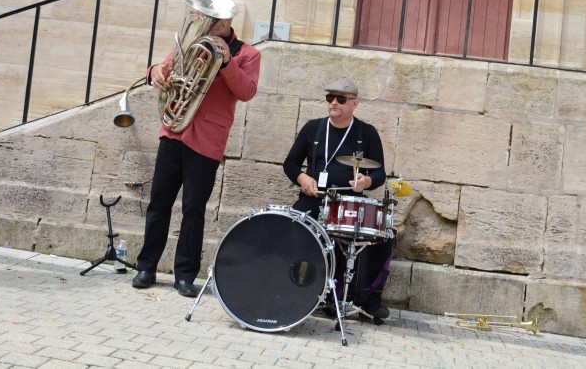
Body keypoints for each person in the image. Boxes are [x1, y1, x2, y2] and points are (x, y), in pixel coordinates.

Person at [132, 17, 260, 297]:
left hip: (207, 141)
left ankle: (185, 275)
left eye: (215, 17)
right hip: (174, 131)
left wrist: (228, 63)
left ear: (227, 20)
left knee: (193, 210)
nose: (209, 21)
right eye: (207, 15)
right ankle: (146, 266)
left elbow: (247, 91)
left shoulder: (247, 53)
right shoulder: (192, 42)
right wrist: (154, 71)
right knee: (158, 203)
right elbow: (163, 68)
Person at [283, 78, 393, 322]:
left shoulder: (367, 133)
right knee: (289, 229)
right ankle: (296, 289)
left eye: (340, 99)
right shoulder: (313, 128)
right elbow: (290, 163)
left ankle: (368, 299)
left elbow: (380, 173)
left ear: (354, 103)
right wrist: (302, 178)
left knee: (385, 237)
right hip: (314, 199)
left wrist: (367, 182)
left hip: (348, 203)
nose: (333, 102)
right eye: (330, 98)